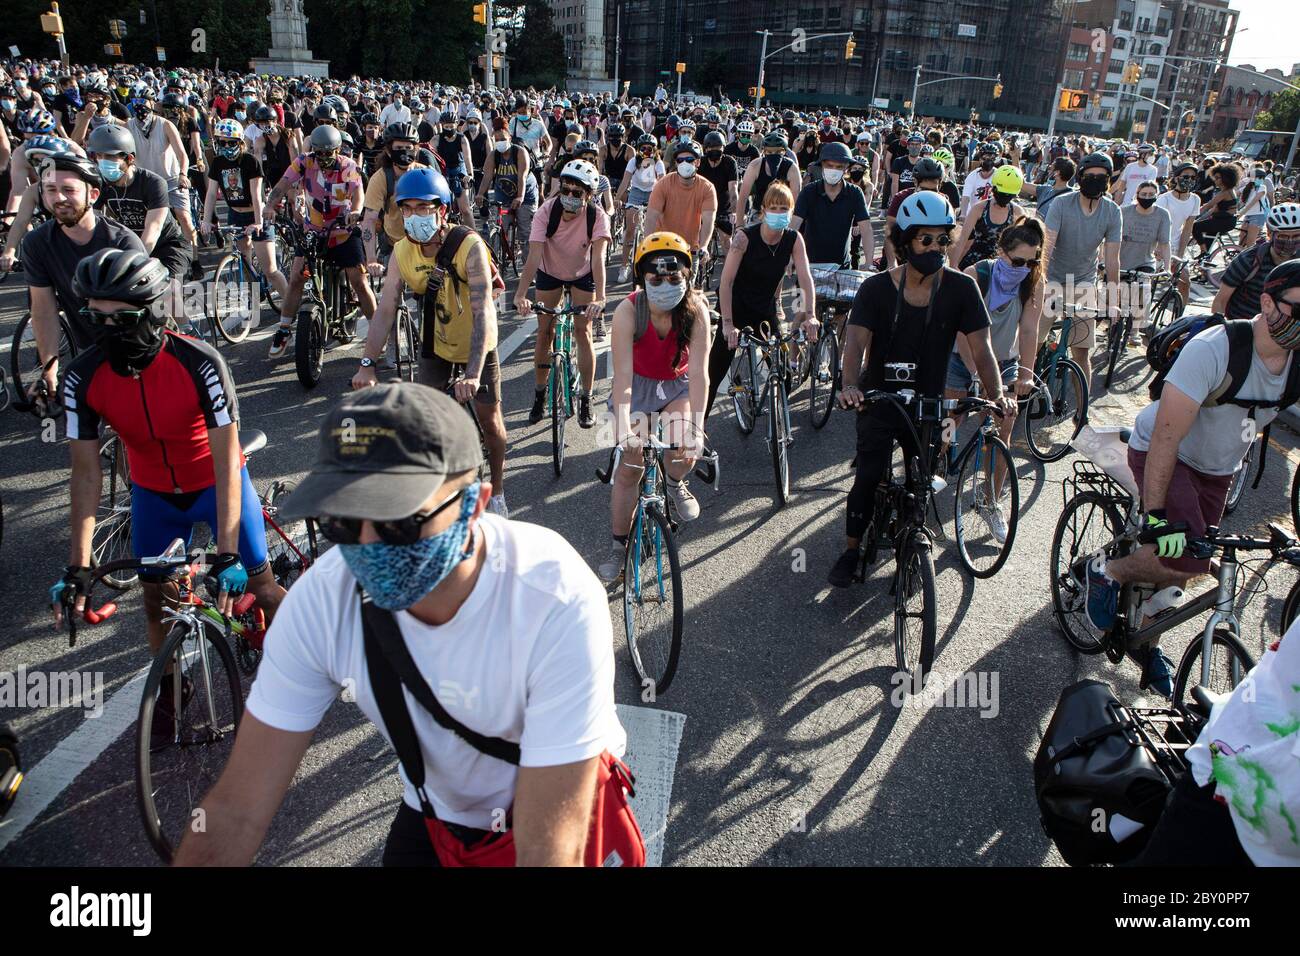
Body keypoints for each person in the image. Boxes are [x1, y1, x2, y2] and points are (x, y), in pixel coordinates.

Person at [172, 383, 629, 866]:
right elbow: (236, 811)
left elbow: (548, 848)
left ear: (474, 505)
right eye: (343, 523)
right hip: (436, 809)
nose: (368, 547)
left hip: (558, 797)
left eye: (399, 521)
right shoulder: (321, 602)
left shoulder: (553, 596)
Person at [52, 249, 284, 747]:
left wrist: (226, 553)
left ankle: (313, 655)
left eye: (123, 318)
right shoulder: (82, 376)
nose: (106, 330)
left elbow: (227, 462)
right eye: (95, 317)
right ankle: (172, 692)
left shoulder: (200, 362)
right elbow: (86, 475)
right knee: (158, 603)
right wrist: (77, 565)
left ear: (154, 312)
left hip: (214, 483)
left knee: (262, 588)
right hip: (154, 492)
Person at [1085, 261, 1300, 697]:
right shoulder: (1216, 348)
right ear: (1266, 302)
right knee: (1186, 552)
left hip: (1219, 468)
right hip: (1167, 451)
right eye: (1298, 310)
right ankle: (1105, 570)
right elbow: (1166, 436)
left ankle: (1148, 643)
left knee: (1185, 565)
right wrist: (1159, 515)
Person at [827, 191, 1016, 588]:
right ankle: (850, 548)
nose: (935, 248)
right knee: (868, 476)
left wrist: (996, 393)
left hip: (931, 404)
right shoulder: (876, 289)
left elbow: (982, 350)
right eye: (925, 239)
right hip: (879, 398)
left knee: (922, 481)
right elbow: (856, 343)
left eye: (942, 240)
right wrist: (849, 387)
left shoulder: (962, 289)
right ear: (904, 241)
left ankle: (912, 540)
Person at [353, 167, 509, 519]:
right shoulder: (401, 253)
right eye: (406, 209)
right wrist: (367, 363)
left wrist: (472, 373)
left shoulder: (469, 246)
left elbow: (483, 309)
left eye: (423, 209)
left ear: (441, 210)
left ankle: (497, 489)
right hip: (436, 340)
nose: (414, 217)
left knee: (491, 422)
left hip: (476, 345)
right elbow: (386, 309)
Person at [596, 233, 711, 584]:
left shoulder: (697, 310)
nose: (665, 284)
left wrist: (696, 428)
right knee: (630, 468)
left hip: (676, 385)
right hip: (640, 387)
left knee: (683, 444)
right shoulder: (628, 311)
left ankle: (675, 482)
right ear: (642, 279)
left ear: (687, 277)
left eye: (674, 277)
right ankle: (619, 547)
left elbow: (699, 376)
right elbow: (623, 380)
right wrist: (624, 432)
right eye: (655, 278)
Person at [942, 219, 1045, 543]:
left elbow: (1029, 330)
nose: (1026, 268)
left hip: (1004, 362)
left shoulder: (1032, 282)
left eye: (1033, 262)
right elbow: (959, 330)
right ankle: (928, 475)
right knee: (949, 422)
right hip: (963, 360)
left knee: (1003, 427)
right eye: (1019, 262)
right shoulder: (976, 276)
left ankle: (991, 500)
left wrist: (1027, 374)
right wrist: (976, 374)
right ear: (1002, 252)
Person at [20, 154, 147, 403]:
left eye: (69, 189)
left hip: (134, 346)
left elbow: (148, 313)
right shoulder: (36, 243)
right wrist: (50, 367)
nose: (58, 198)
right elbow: (44, 310)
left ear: (93, 195)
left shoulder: (122, 242)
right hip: (88, 347)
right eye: (51, 190)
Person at [262, 123, 376, 359]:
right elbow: (282, 185)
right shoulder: (303, 162)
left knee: (359, 281)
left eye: (328, 153)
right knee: (296, 278)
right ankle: (284, 330)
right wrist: (270, 205)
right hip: (313, 231)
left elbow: (358, 192)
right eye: (319, 152)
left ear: (337, 150)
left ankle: (378, 331)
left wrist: (355, 211)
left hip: (344, 231)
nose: (323, 158)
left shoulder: (348, 165)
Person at [709, 181, 818, 419]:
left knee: (784, 374)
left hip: (764, 310)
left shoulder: (793, 239)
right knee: (715, 371)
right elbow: (726, 283)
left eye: (784, 209)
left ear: (791, 213)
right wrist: (727, 324)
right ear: (764, 210)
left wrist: (811, 315)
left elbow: (805, 278)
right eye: (774, 208)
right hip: (735, 307)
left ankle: (778, 427)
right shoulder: (744, 238)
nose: (779, 213)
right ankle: (699, 426)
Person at [514, 160, 610, 429]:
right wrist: (521, 295)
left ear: (588, 196)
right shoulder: (546, 211)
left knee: (584, 331)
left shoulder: (596, 216)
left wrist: (601, 298)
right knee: (545, 332)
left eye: (577, 193)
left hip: (583, 273)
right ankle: (540, 394)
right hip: (550, 272)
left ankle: (586, 398)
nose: (569, 197)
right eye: (565, 190)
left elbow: (599, 260)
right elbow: (533, 257)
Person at [1042, 151, 1123, 384]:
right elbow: (1048, 246)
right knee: (1033, 340)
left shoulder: (1112, 211)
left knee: (1081, 353)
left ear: (1108, 180)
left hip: (1084, 283)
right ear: (1080, 178)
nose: (1095, 180)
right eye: (1090, 176)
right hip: (1053, 278)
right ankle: (1020, 400)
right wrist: (1041, 283)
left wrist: (1113, 301)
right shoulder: (1061, 203)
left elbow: (1112, 259)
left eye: (1101, 176)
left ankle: (1083, 414)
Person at [199, 118, 288, 310]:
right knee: (244, 260)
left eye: (231, 142)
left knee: (271, 270)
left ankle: (291, 307)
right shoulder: (218, 163)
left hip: (255, 214)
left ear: (240, 142)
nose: (227, 146)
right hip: (235, 214)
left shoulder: (250, 161)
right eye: (222, 142)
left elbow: (257, 195)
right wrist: (206, 220)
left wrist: (257, 222)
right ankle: (254, 293)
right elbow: (212, 193)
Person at [791, 141, 872, 270]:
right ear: (822, 165)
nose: (833, 170)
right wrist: (789, 256)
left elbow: (866, 228)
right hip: (810, 266)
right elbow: (794, 225)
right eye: (830, 165)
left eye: (839, 167)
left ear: (846, 168)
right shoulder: (808, 192)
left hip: (842, 268)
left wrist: (869, 261)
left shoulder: (855, 193)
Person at [1212, 203, 1300, 322]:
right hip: (1244, 326)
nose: (1290, 242)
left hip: (1286, 331)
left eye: (1297, 236)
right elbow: (1220, 301)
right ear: (1269, 234)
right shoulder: (1249, 259)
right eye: (1283, 236)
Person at [644, 139, 717, 278]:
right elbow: (651, 217)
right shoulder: (663, 184)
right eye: (680, 160)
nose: (684, 163)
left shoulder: (707, 188)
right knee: (661, 291)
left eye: (689, 159)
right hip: (663, 246)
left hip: (690, 249)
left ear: (697, 162)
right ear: (675, 162)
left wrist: (704, 246)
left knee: (687, 293)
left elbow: (708, 220)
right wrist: (647, 245)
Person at [475, 118, 539, 265]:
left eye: (502, 139)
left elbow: (522, 176)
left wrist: (520, 197)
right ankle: (499, 260)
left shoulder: (520, 152)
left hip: (526, 193)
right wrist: (479, 194)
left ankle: (529, 269)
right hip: (503, 192)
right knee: (500, 224)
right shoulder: (493, 155)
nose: (500, 142)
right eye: (497, 139)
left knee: (525, 232)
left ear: (509, 137)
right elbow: (487, 177)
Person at [951, 164, 1028, 270]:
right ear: (993, 189)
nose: (1004, 198)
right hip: (974, 264)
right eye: (1002, 194)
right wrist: (953, 265)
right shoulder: (979, 208)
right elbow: (963, 238)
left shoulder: (1017, 212)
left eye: (1008, 195)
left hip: (1000, 267)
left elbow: (1021, 245)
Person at [1157, 162, 1202, 304]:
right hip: (1158, 245)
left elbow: (1187, 228)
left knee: (1185, 281)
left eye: (1193, 177)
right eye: (1186, 176)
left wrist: (1180, 254)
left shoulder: (1195, 200)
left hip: (1176, 245)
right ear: (1176, 178)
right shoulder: (1164, 199)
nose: (1189, 180)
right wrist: (1158, 249)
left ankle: (1179, 316)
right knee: (1148, 283)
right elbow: (1156, 225)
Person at [1191, 163, 1240, 256]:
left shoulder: (1225, 193)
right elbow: (1212, 210)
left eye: (1218, 178)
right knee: (1209, 235)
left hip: (1225, 221)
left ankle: (1203, 251)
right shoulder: (1229, 190)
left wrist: (1193, 215)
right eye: (1215, 177)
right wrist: (1199, 217)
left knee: (1195, 227)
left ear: (1225, 179)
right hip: (1226, 220)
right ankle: (1205, 256)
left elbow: (1208, 206)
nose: (1215, 180)